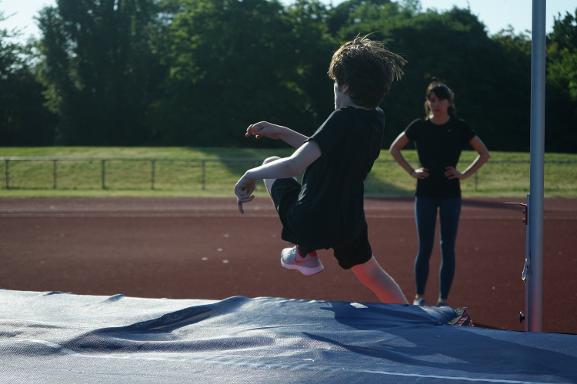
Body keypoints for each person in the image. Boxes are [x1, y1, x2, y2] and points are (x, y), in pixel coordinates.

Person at [234, 36, 408, 304]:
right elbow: (323, 148)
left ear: (346, 86)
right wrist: (282, 132)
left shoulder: (341, 117)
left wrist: (251, 174)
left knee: (270, 164)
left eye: (335, 85)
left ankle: (305, 253)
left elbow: (295, 164)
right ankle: (411, 320)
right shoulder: (376, 118)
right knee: (372, 273)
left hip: (312, 218)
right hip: (349, 220)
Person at [389, 81, 490, 307]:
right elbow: (394, 148)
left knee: (447, 247)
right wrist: (411, 171)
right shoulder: (419, 126)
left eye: (441, 99)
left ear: (449, 102)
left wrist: (463, 174)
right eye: (432, 99)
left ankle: (443, 299)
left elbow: (484, 153)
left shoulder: (460, 126)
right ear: (428, 102)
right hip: (424, 193)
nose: (436, 104)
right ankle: (419, 297)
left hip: (450, 194)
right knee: (424, 246)